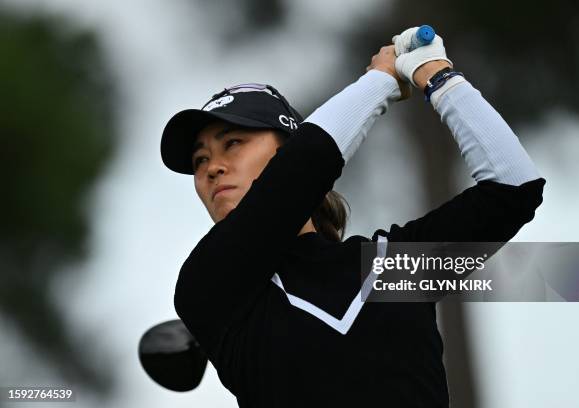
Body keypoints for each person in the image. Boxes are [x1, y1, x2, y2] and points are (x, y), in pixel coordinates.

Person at [160, 27, 545, 407]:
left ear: (285, 150)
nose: (212, 169)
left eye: (233, 143)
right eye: (200, 160)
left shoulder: (392, 269)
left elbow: (514, 188)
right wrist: (382, 79)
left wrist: (438, 76)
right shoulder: (208, 288)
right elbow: (301, 173)